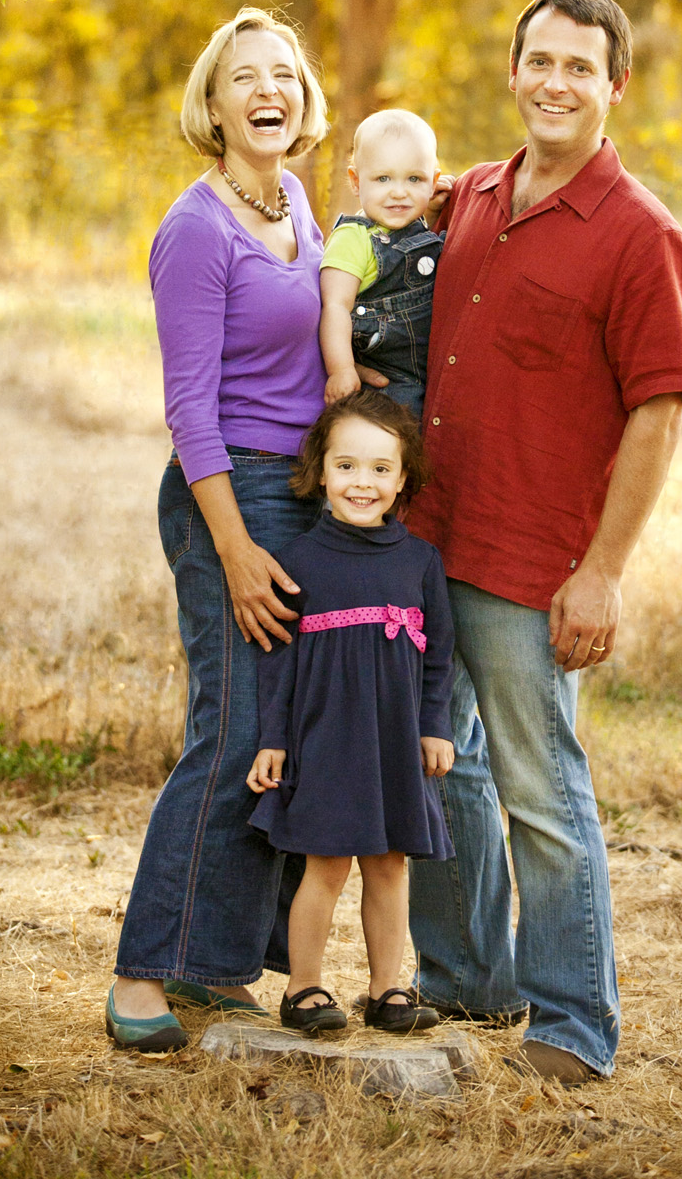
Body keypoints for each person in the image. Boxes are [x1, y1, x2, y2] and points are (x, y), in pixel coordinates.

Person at [405, 0, 682, 1084]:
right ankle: (466, 978)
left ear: (616, 84)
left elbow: (657, 413)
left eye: (580, 66)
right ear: (512, 70)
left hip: (531, 565)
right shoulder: (473, 195)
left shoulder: (642, 235)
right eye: (540, 60)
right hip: (426, 538)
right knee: (438, 767)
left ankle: (573, 1026)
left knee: (541, 792)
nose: (556, 83)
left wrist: (603, 573)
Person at [107, 7, 330, 1054]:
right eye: (243, 76)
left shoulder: (295, 203)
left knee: (281, 740)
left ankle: (214, 962)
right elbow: (189, 411)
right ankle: (142, 973)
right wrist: (235, 549)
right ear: (213, 104)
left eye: (282, 72)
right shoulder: (196, 228)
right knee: (233, 732)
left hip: (302, 495)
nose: (265, 89)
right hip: (226, 498)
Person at [247, 388, 455, 1034]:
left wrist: (434, 727)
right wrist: (274, 739)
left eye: (379, 468)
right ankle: (303, 989)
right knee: (326, 866)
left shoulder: (420, 562)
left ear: (402, 478)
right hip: (328, 740)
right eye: (346, 466)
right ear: (320, 472)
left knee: (389, 865)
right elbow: (277, 662)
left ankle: (387, 990)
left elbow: (439, 658)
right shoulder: (298, 562)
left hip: (393, 742)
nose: (362, 482)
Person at [318, 109, 445, 419]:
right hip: (385, 383)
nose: (399, 192)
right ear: (356, 181)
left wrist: (433, 211)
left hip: (432, 375)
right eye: (383, 178)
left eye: (414, 179)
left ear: (433, 182)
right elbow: (335, 306)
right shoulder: (353, 238)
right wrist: (341, 369)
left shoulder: (419, 224)